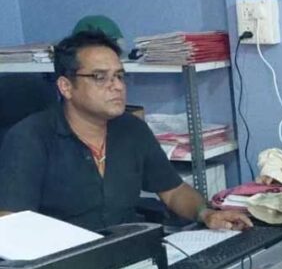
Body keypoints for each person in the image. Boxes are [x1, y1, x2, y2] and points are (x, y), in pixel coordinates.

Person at [0, 30, 251, 232]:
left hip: (128, 254)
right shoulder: (30, 138)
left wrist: (206, 214)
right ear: (66, 87)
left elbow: (173, 191)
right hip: (62, 264)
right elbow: (11, 224)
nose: (117, 86)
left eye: (119, 76)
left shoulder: (131, 129)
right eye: (100, 77)